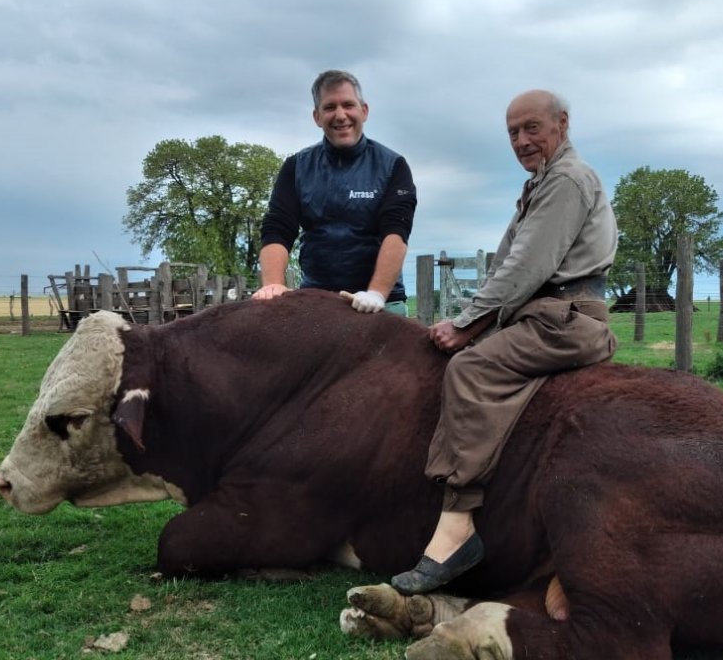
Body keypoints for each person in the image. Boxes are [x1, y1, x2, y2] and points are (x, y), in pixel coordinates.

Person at [391, 89, 618, 595]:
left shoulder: (566, 180)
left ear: (562, 123)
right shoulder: (539, 184)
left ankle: (458, 525)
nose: (521, 140)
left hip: (564, 317)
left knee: (471, 369)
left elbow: (525, 266)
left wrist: (467, 325)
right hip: (545, 311)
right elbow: (507, 262)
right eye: (513, 133)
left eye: (532, 128)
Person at [253, 70, 416, 315]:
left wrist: (376, 293)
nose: (340, 115)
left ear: (364, 111)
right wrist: (274, 284)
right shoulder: (296, 167)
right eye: (330, 107)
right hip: (317, 301)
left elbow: (396, 232)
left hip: (381, 303)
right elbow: (278, 228)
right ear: (317, 117)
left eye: (348, 105)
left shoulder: (393, 165)